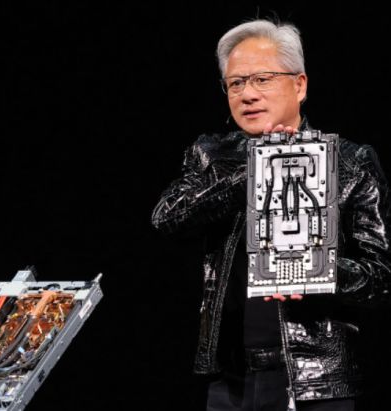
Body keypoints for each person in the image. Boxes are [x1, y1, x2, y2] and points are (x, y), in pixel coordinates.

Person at [151, 19, 391, 411]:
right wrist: (255, 168)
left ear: (300, 85)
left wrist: (319, 272)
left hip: (317, 379)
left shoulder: (351, 162)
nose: (247, 94)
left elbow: (380, 278)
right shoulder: (212, 156)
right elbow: (167, 218)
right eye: (235, 83)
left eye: (262, 79)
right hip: (231, 381)